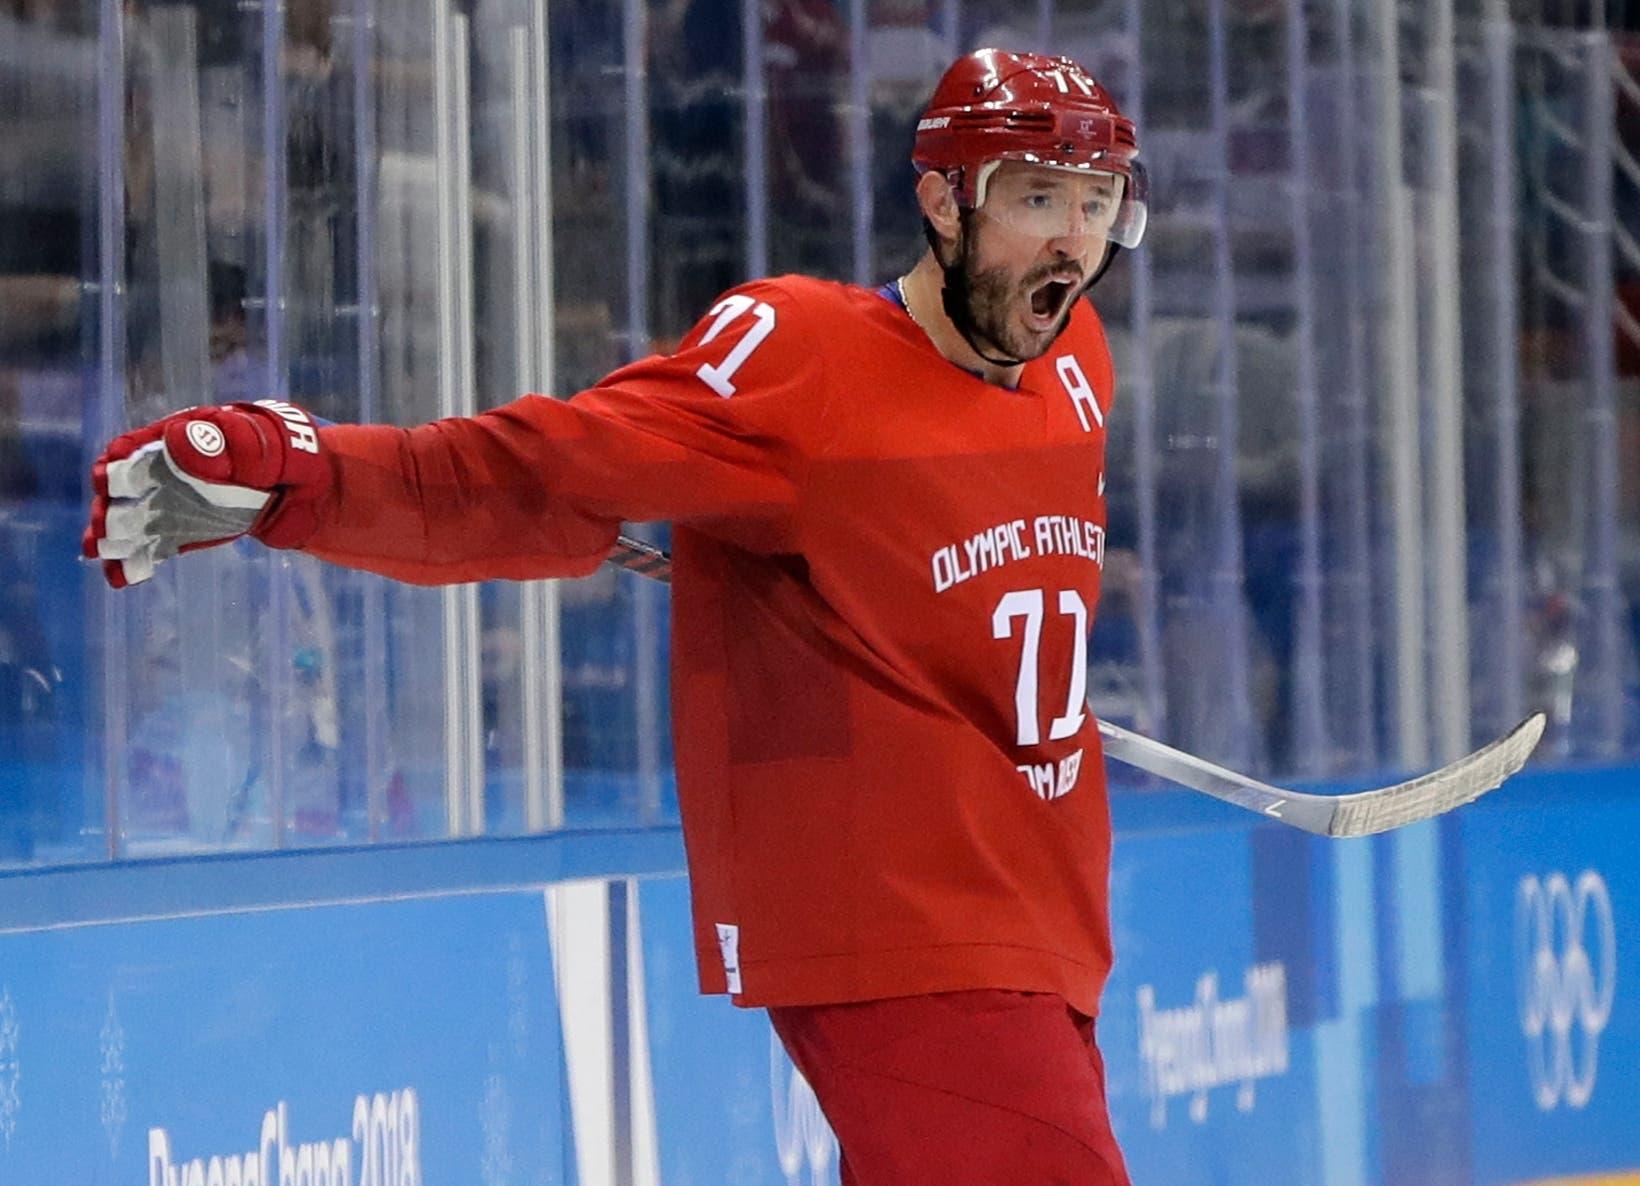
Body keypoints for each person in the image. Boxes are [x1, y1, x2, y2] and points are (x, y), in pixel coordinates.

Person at [85, 48, 1148, 1185]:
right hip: (909, 930)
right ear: (942, 198)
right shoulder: (805, 361)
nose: (1070, 242)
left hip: (1049, 918)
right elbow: (545, 473)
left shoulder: (1075, 366)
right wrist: (303, 473)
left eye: (1093, 205)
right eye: (1038, 197)